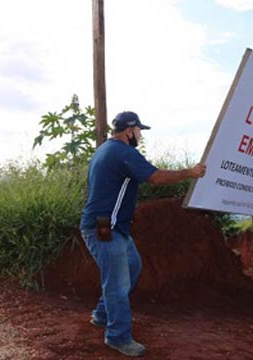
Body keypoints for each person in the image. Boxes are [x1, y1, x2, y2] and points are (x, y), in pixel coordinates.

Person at [79, 111, 206, 357]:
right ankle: (118, 336)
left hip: (112, 227)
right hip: (104, 228)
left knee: (133, 267)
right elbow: (156, 178)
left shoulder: (105, 149)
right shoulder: (123, 152)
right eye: (139, 131)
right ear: (129, 131)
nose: (140, 135)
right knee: (117, 282)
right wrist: (190, 173)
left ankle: (102, 314)